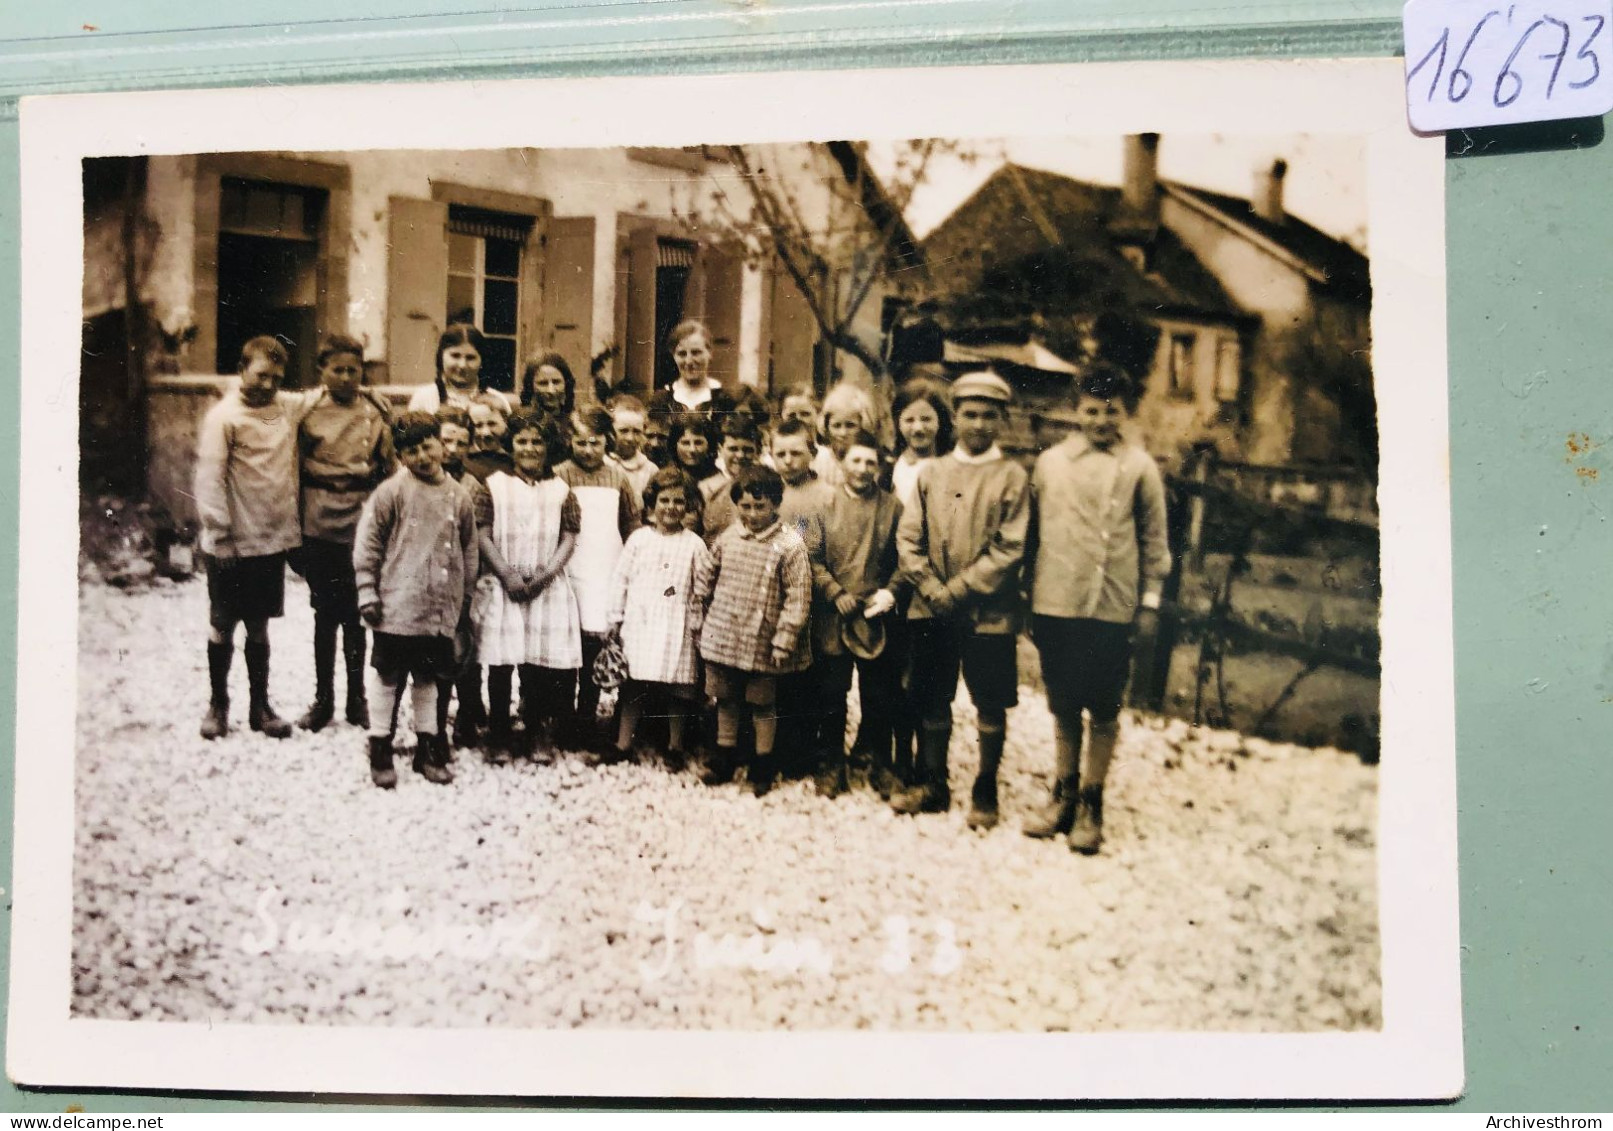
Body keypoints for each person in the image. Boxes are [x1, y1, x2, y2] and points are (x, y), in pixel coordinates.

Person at [1022, 364, 1170, 854]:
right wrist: (1029, 597)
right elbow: (1034, 534)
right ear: (1076, 410)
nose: (1101, 420)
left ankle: (1092, 800)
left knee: (1104, 705)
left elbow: (1154, 543)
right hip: (1056, 601)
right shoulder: (1051, 464)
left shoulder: (1139, 467)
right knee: (1063, 701)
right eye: (1091, 410)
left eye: (1111, 412)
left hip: (1113, 607)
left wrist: (1149, 604)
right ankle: (1062, 793)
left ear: (1124, 413)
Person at [892, 369, 1031, 830]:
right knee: (933, 695)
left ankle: (985, 787)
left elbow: (1010, 548)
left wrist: (959, 589)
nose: (977, 424)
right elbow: (909, 538)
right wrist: (931, 587)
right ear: (955, 416)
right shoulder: (932, 472)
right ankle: (934, 782)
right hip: (932, 607)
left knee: (990, 702)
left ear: (1002, 420)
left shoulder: (1011, 476)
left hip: (988, 612)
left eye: (989, 416)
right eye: (969, 414)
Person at [194, 336, 320, 742]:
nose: (268, 384)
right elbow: (209, 480)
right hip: (230, 544)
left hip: (269, 542)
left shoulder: (284, 408)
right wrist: (220, 535)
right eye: (261, 375)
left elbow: (321, 397)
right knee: (222, 624)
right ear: (242, 368)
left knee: (260, 628)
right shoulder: (223, 417)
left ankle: (260, 707)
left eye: (276, 378)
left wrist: (368, 398)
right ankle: (218, 704)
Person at [352, 412, 479, 789]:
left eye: (427, 446)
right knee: (389, 675)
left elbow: (468, 548)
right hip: (396, 607)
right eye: (411, 451)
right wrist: (366, 591)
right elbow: (368, 543)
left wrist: (464, 595)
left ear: (441, 444)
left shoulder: (459, 495)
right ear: (400, 455)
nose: (422, 457)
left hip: (438, 609)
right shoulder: (392, 492)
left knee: (429, 678)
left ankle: (428, 749)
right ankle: (380, 746)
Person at [293, 334, 395, 733]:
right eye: (338, 369)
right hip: (319, 521)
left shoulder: (374, 411)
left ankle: (357, 699)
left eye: (354, 370)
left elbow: (387, 467)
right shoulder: (307, 411)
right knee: (324, 616)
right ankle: (323, 699)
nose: (347, 377)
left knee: (357, 615)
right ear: (323, 371)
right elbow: (293, 469)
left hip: (360, 520)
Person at [470, 409, 582, 765]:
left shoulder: (562, 490)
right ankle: (499, 732)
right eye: (523, 441)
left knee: (539, 666)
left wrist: (547, 574)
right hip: (507, 585)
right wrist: (506, 574)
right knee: (502, 664)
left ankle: (537, 731)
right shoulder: (494, 486)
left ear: (549, 447)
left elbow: (569, 536)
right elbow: (482, 534)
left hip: (546, 587)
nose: (530, 448)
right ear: (510, 445)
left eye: (538, 441)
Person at [694, 465, 812, 796]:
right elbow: (707, 574)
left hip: (763, 640)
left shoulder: (790, 544)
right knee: (727, 698)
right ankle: (725, 756)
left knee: (762, 703)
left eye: (760, 506)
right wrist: (700, 609)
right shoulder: (729, 537)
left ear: (776, 504)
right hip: (726, 633)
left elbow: (798, 595)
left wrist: (786, 636)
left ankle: (763, 762)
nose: (752, 513)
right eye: (745, 506)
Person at [810, 429, 903, 800]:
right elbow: (808, 555)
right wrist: (833, 592)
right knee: (832, 693)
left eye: (871, 462)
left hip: (875, 616)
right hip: (835, 613)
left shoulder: (894, 508)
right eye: (856, 460)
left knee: (878, 694)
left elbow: (905, 559)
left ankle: (878, 762)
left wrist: (890, 592)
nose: (863, 469)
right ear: (842, 463)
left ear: (879, 467)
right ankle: (831, 763)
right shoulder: (821, 505)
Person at [606, 467, 712, 769]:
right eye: (664, 500)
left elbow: (702, 586)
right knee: (633, 686)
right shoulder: (639, 539)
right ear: (652, 503)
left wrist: (698, 622)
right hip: (640, 621)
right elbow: (621, 580)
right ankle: (623, 743)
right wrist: (614, 618)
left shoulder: (694, 544)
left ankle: (675, 746)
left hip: (677, 621)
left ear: (689, 506)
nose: (671, 508)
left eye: (679, 501)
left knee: (678, 688)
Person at [555, 406, 641, 754]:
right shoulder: (560, 475)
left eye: (595, 442)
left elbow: (631, 522)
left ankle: (587, 717)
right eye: (580, 442)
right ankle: (561, 719)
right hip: (569, 567)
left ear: (607, 441)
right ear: (570, 441)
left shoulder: (618, 477)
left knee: (594, 647)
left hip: (605, 568)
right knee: (566, 648)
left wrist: (632, 564)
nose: (588, 450)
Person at [406, 323, 514, 415]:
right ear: (441, 356)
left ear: (482, 361)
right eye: (455, 356)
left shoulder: (497, 399)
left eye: (470, 358)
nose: (462, 365)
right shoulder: (424, 397)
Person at [647, 320, 737, 425]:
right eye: (682, 354)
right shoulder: (661, 401)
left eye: (696, 352)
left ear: (710, 353)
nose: (689, 361)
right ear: (673, 356)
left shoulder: (725, 400)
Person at [886, 377, 954, 507]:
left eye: (926, 419)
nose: (918, 428)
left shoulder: (951, 466)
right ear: (898, 424)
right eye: (909, 420)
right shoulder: (890, 468)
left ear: (940, 420)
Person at [699, 415, 763, 547]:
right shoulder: (706, 488)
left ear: (757, 451)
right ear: (721, 449)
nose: (740, 456)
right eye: (733, 449)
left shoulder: (766, 487)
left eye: (747, 450)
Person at [814, 382, 881, 489]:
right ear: (826, 427)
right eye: (836, 426)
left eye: (850, 425)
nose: (843, 433)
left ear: (863, 425)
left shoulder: (871, 460)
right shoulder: (821, 459)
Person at [606, 394, 659, 499]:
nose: (630, 438)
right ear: (611, 431)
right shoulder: (600, 463)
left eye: (636, 431)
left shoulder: (650, 470)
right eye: (623, 431)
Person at [463, 401, 514, 483]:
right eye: (478, 425)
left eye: (492, 424)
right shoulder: (465, 461)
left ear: (505, 422)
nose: (485, 432)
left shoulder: (516, 456)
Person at [520, 351, 576, 419]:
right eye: (543, 383)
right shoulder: (521, 424)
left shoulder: (576, 425)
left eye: (556, 382)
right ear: (530, 387)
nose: (551, 391)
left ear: (566, 385)